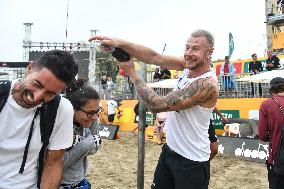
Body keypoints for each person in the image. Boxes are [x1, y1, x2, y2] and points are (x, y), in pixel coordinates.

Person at [90, 29, 219, 189]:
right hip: (170, 151)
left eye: (195, 49)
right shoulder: (187, 67)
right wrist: (120, 43)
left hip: (192, 161)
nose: (189, 53)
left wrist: (133, 73)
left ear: (209, 52)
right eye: (187, 47)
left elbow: (157, 105)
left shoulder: (207, 84)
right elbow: (154, 57)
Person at [0, 50, 78, 188]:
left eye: (50, 93)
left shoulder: (61, 109)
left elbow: (53, 163)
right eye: (37, 84)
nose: (36, 97)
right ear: (30, 68)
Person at [61, 79, 101, 189]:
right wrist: (86, 143)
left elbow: (96, 147)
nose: (95, 117)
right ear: (72, 108)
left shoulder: (91, 118)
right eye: (90, 113)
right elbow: (59, 164)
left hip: (81, 180)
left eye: (97, 111)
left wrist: (77, 143)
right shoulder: (59, 123)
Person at [258, 77, 284, 189]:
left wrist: (274, 135)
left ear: (271, 89)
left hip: (277, 157)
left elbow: (262, 135)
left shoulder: (267, 104)